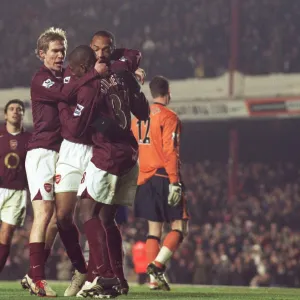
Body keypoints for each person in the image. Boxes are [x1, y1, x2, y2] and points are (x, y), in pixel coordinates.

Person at [61, 45, 149, 297]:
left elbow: (76, 129)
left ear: (81, 68)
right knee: (106, 218)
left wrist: (66, 110)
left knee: (87, 212)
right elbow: (142, 112)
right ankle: (118, 279)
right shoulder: (120, 78)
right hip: (129, 155)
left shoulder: (90, 87)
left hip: (107, 154)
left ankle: (104, 276)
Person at [24, 27, 104, 297]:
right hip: (42, 153)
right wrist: (92, 73)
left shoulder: (69, 75)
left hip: (64, 153)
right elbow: (65, 95)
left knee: (61, 218)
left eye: (62, 51)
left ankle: (79, 270)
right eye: (54, 51)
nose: (59, 56)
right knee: (44, 214)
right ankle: (38, 278)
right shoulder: (42, 79)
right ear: (41, 54)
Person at [132, 75, 189, 291]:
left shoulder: (137, 118)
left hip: (144, 178)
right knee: (180, 227)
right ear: (168, 92)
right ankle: (156, 266)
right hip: (165, 175)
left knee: (153, 230)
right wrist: (175, 181)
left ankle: (153, 281)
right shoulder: (169, 116)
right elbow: (170, 150)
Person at [0, 99, 31, 274]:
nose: (15, 111)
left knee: (7, 233)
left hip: (18, 191)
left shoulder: (30, 139)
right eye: (11, 109)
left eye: (19, 109)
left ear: (22, 114)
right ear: (5, 114)